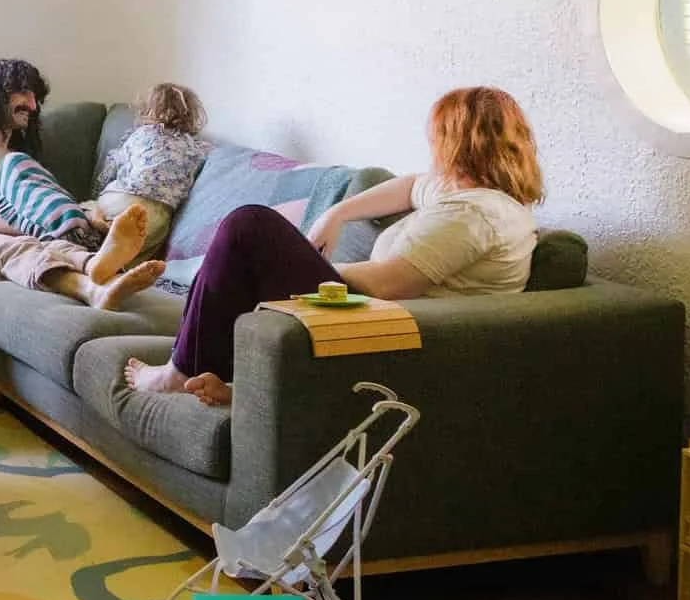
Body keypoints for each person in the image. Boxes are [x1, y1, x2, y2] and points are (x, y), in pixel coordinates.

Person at [125, 87, 543, 406]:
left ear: (457, 144)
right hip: (381, 312)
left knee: (248, 227)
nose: (432, 150)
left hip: (391, 326)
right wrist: (336, 213)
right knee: (246, 246)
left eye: (438, 138)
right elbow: (412, 186)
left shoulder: (476, 215)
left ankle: (180, 373)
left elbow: (386, 284)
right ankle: (224, 378)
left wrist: (291, 264)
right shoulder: (467, 196)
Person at [0, 59, 167, 309]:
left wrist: (85, 217)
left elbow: (44, 205)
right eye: (24, 93)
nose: (32, 105)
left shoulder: (14, 156)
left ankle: (99, 268)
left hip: (10, 232)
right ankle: (92, 290)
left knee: (57, 243)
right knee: (23, 246)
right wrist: (44, 230)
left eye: (35, 97)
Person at [82, 82, 212, 253]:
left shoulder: (140, 135)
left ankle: (100, 225)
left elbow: (112, 164)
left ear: (148, 110)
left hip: (122, 198)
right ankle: (119, 265)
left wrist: (97, 193)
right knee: (141, 253)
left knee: (86, 208)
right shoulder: (196, 148)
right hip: (157, 215)